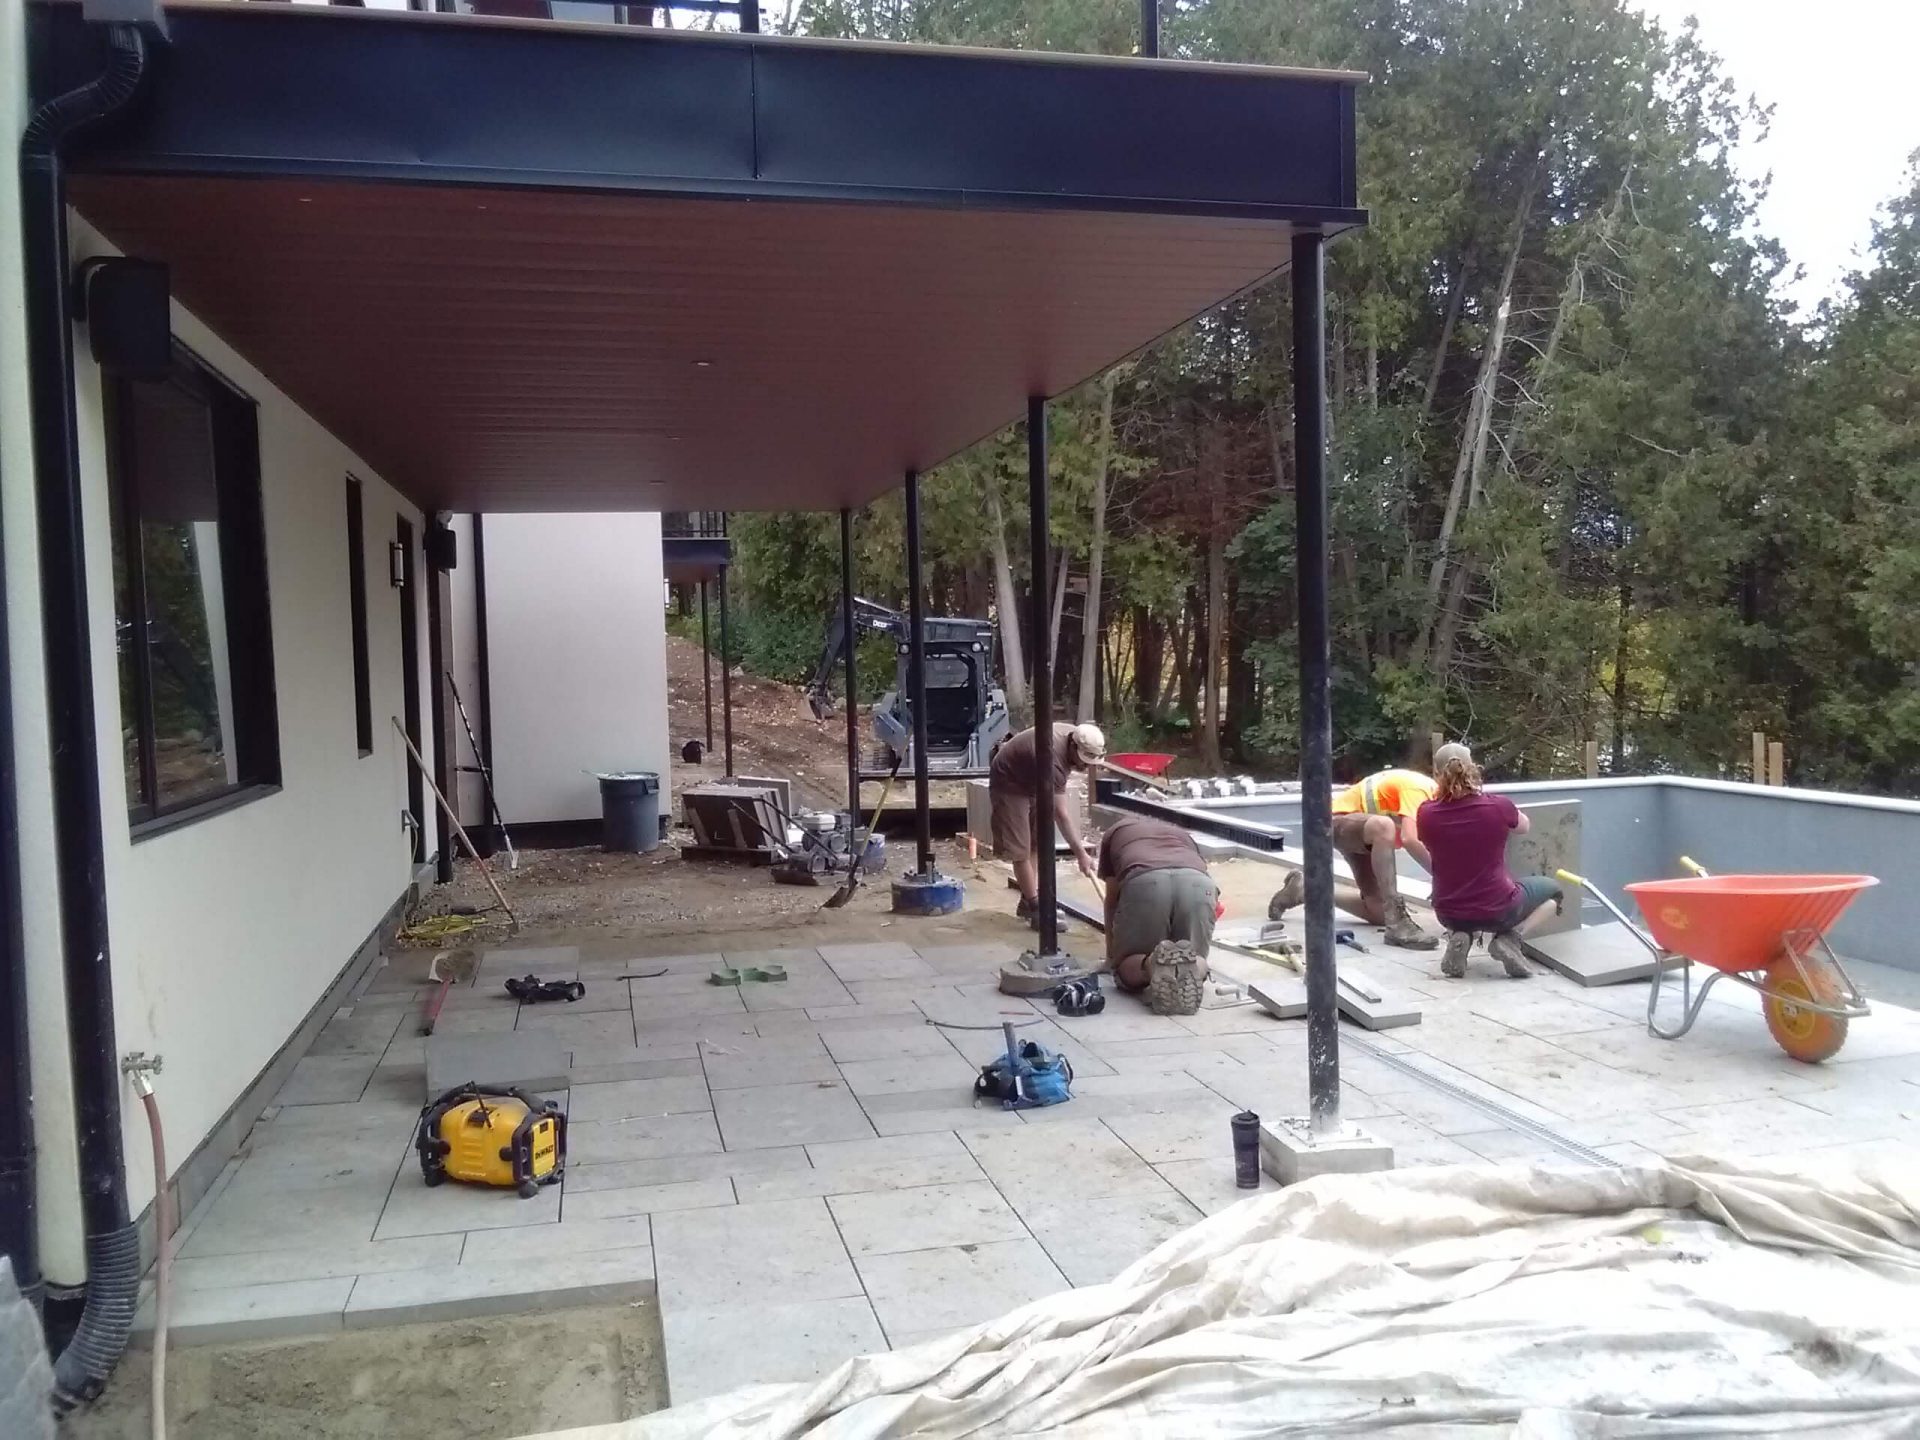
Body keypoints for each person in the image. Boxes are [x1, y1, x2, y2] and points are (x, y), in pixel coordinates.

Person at [1266, 744, 1475, 950]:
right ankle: (1397, 920)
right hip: (1332, 823)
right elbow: (1410, 839)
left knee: (1377, 912)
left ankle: (1304, 890)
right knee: (1384, 826)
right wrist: (1445, 877)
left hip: (1367, 839)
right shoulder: (1420, 790)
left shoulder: (1443, 804)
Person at [1418, 750, 1564, 979]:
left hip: (1447, 912)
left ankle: (1461, 935)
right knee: (1554, 892)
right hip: (1499, 910)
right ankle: (1510, 939)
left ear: (1436, 774)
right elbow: (1524, 826)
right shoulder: (1498, 806)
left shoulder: (1426, 813)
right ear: (1472, 769)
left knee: (1463, 905)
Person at [989, 721, 1105, 930]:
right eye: (1084, 761)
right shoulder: (1053, 760)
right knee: (1020, 848)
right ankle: (1035, 907)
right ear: (1073, 746)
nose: (1085, 766)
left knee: (1036, 842)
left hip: (1034, 778)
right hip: (1009, 780)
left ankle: (1028, 899)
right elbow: (1060, 813)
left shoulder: (1077, 737)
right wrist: (1081, 854)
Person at [1097, 815, 1218, 1016]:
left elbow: (1112, 900)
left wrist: (1113, 956)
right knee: (1194, 954)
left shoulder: (1115, 832)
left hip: (1146, 881)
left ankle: (1151, 965)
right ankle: (1195, 966)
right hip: (1198, 884)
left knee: (1127, 964)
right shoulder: (1181, 834)